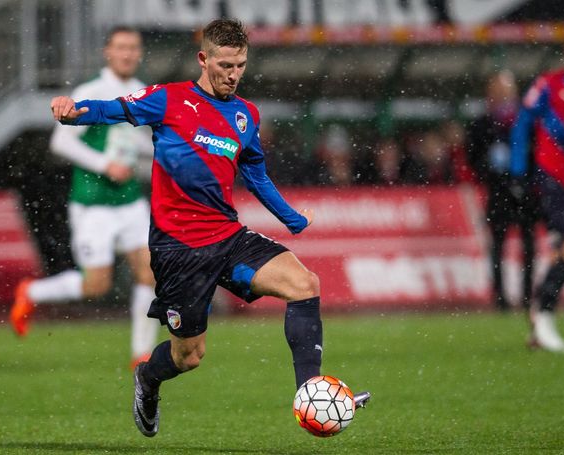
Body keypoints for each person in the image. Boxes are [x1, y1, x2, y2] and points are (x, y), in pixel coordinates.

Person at [50, 19, 370, 437]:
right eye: (225, 65)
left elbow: (255, 175)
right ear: (204, 59)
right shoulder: (169, 100)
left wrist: (290, 218)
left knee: (304, 284)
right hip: (177, 251)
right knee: (189, 356)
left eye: (240, 65)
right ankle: (148, 378)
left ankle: (309, 393)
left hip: (227, 236)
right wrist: (74, 112)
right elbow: (113, 108)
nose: (234, 74)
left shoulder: (245, 115)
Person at [10, 26, 159, 368]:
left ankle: (141, 354)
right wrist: (104, 164)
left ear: (139, 53)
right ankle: (31, 292)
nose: (127, 53)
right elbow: (60, 142)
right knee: (96, 285)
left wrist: (150, 156)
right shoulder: (91, 91)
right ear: (108, 52)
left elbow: (141, 145)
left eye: (133, 48)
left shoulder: (143, 92)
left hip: (131, 200)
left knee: (149, 272)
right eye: (121, 47)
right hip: (93, 204)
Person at [510, 28, 564, 352]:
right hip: (556, 182)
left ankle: (539, 321)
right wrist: (518, 173)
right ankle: (543, 313)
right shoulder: (548, 85)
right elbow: (522, 126)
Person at [468, 71, 537, 311]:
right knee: (498, 244)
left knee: (528, 244)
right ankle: (501, 297)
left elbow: (538, 152)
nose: (503, 94)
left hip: (525, 190)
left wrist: (526, 178)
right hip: (498, 191)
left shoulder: (526, 120)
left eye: (506, 89)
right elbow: (473, 156)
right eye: (498, 89)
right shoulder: (483, 123)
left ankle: (528, 294)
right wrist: (490, 172)